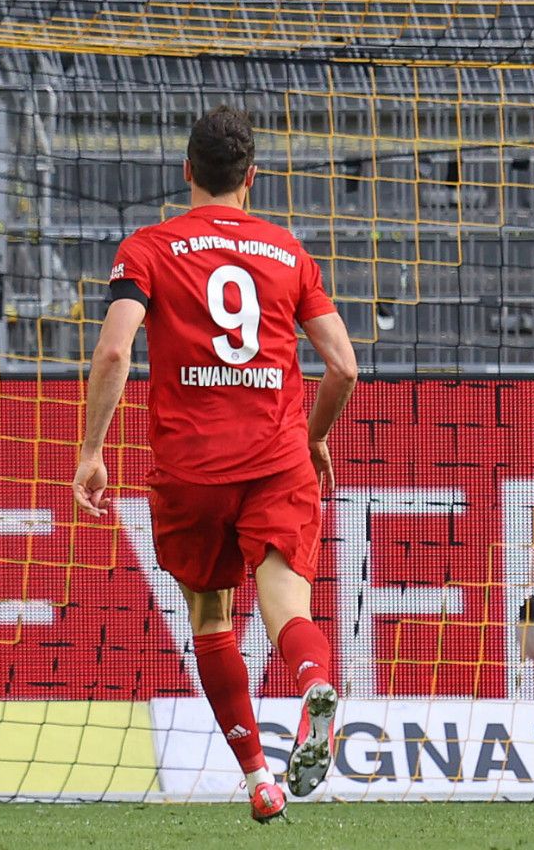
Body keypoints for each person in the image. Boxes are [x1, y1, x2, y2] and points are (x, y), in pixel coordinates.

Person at [73, 105, 357, 821]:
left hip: (192, 468)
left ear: (187, 172)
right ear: (251, 178)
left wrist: (91, 450)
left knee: (210, 615)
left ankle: (259, 776)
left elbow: (113, 350)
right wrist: (315, 436)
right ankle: (315, 681)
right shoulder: (291, 254)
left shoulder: (148, 249)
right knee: (288, 605)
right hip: (277, 456)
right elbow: (344, 367)